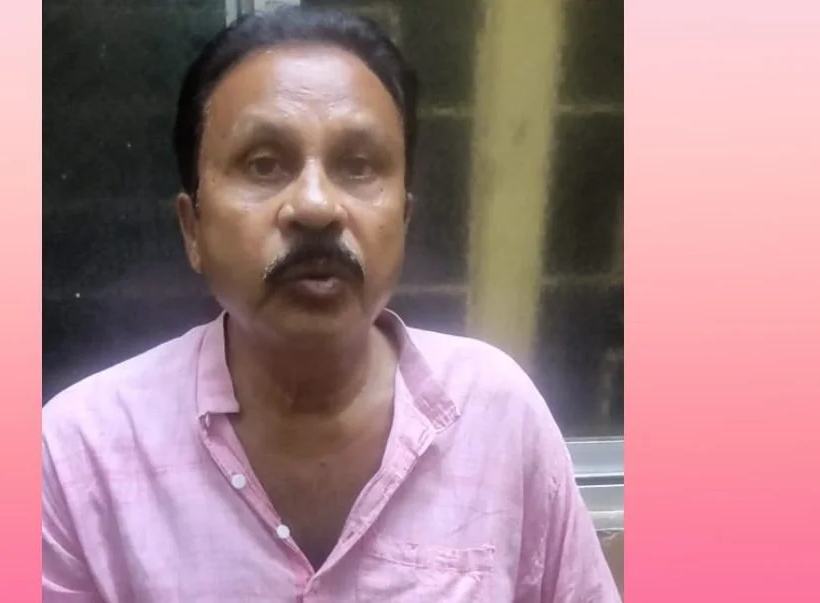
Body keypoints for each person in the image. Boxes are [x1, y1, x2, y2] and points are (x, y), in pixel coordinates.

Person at [42, 7, 620, 602]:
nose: (316, 206)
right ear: (193, 229)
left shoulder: (497, 418)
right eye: (264, 164)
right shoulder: (81, 456)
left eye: (358, 165)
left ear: (403, 219)